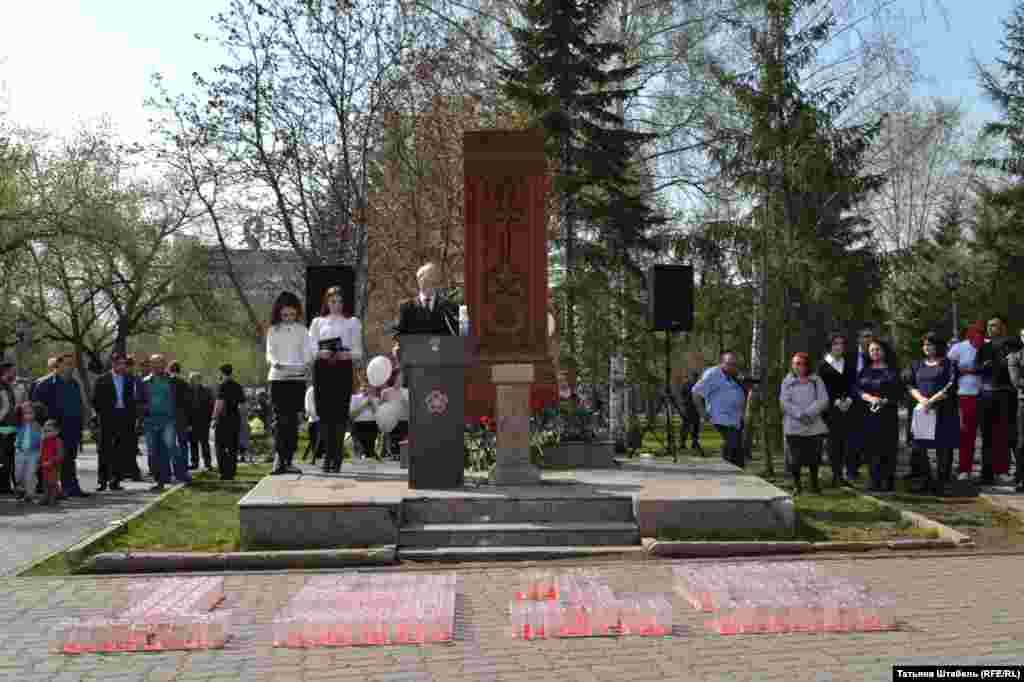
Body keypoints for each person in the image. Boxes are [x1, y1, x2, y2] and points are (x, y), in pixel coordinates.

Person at [308, 285, 364, 473]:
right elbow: (310, 348)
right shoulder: (317, 322)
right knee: (325, 414)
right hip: (323, 370)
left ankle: (337, 457)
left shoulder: (352, 322)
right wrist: (319, 353)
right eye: (333, 301)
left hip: (342, 369)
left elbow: (358, 351)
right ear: (327, 302)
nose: (336, 305)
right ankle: (327, 456)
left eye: (340, 301)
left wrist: (348, 355)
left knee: (339, 415)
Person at [906, 333, 959, 495]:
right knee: (920, 446)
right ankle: (925, 480)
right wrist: (922, 400)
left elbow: (951, 385)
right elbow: (909, 385)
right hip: (923, 411)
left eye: (930, 344)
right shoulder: (916, 364)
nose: (926, 347)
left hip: (944, 410)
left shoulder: (949, 364)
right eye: (924, 344)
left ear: (938, 346)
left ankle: (942, 483)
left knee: (944, 447)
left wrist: (932, 401)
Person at [266, 291, 313, 475]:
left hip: (296, 378)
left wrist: (306, 363)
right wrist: (275, 362)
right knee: (280, 420)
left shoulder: (302, 330)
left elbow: (307, 351)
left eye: (292, 315)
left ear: (297, 313)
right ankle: (279, 459)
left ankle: (289, 460)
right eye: (285, 315)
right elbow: (270, 352)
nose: (288, 318)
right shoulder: (273, 330)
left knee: (292, 421)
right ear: (279, 313)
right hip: (278, 378)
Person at [32, 353, 90, 498]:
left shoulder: (74, 383)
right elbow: (37, 408)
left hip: (71, 427)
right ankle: (47, 489)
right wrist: (46, 426)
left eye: (73, 364)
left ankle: (71, 488)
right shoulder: (44, 384)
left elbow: (78, 405)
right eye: (67, 364)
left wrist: (81, 423)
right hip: (52, 429)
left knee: (69, 458)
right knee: (49, 459)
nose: (71, 367)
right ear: (58, 365)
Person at [976, 315, 1022, 484]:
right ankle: (987, 474)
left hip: (1007, 394)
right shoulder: (984, 347)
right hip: (987, 394)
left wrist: (1001, 364)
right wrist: (983, 367)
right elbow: (977, 366)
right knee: (987, 436)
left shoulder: (1013, 344)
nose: (990, 328)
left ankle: (1018, 473)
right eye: (989, 325)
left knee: (1011, 435)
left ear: (1004, 327)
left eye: (994, 325)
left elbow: (1018, 365)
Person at [855, 339, 903, 491]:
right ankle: (874, 480)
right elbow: (857, 389)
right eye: (872, 350)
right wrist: (869, 398)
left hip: (887, 414)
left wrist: (884, 401)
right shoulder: (864, 371)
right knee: (871, 448)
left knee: (888, 447)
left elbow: (899, 391)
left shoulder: (893, 370)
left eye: (877, 349)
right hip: (868, 414)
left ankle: (888, 480)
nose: (875, 352)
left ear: (884, 351)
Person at [139, 354, 192, 491]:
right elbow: (139, 401)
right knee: (153, 451)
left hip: (168, 420)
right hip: (151, 421)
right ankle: (160, 480)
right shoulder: (144, 382)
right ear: (151, 365)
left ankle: (182, 474)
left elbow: (184, 401)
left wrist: (184, 419)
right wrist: (142, 416)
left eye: (160, 363)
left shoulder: (174, 381)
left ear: (165, 364)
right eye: (154, 363)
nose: (157, 366)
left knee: (171, 446)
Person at [779, 352, 830, 494]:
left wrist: (809, 413)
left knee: (814, 458)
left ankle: (814, 485)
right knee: (794, 459)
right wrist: (800, 415)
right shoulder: (787, 381)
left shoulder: (816, 380)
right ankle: (797, 485)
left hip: (814, 426)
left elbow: (823, 400)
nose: (799, 366)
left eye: (802, 364)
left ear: (808, 365)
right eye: (796, 363)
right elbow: (784, 402)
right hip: (794, 426)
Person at [692, 351, 747, 467]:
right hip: (720, 420)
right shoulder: (712, 374)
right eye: (729, 364)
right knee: (730, 451)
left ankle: (736, 473)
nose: (732, 367)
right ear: (721, 363)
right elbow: (696, 392)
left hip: (735, 421)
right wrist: (702, 412)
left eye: (734, 364)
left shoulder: (734, 376)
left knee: (738, 456)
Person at [91, 351, 137, 491]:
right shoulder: (102, 379)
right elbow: (95, 400)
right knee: (104, 449)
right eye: (119, 363)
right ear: (113, 363)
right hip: (107, 417)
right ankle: (102, 480)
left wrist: (132, 417)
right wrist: (101, 415)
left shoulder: (129, 379)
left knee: (120, 450)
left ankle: (115, 480)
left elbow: (132, 400)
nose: (121, 366)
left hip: (124, 417)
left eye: (123, 364)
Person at [818, 332, 857, 486]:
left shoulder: (848, 363)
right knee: (833, 443)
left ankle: (844, 474)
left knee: (846, 443)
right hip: (831, 409)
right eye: (835, 344)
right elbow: (822, 387)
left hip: (848, 407)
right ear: (830, 346)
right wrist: (836, 402)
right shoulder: (823, 365)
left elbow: (853, 384)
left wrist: (849, 399)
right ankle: (836, 475)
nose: (839, 347)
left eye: (841, 344)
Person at [948, 322, 985, 480]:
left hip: (987, 393)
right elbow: (949, 368)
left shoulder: (988, 346)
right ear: (969, 334)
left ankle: (990, 471)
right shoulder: (958, 348)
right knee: (967, 434)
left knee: (989, 434)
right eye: (975, 332)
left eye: (981, 333)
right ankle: (964, 468)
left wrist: (969, 370)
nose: (979, 335)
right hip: (965, 394)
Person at [391, 262, 459, 337]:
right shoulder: (406, 307)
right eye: (428, 277)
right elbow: (398, 334)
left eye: (434, 277)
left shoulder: (449, 306)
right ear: (419, 280)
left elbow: (459, 333)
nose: (432, 281)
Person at [212, 364, 245, 481]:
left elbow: (219, 404)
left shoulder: (222, 386)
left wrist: (214, 418)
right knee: (232, 447)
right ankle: (231, 472)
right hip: (235, 419)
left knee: (220, 446)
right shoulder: (238, 386)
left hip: (223, 419)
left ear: (222, 373)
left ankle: (223, 472)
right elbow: (242, 405)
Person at [0, 360, 27, 495]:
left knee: (8, 457)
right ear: (5, 371)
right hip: (4, 426)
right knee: (6, 457)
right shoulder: (3, 386)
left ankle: (6, 486)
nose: (15, 373)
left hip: (9, 426)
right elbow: (5, 407)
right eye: (13, 371)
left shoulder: (7, 385)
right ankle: (4, 486)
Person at [13, 401, 45, 503]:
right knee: (18, 473)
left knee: (30, 473)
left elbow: (42, 440)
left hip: (33, 453)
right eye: (25, 413)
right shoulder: (19, 424)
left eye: (30, 413)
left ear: (35, 414)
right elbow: (11, 430)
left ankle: (29, 493)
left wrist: (40, 454)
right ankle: (20, 488)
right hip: (20, 452)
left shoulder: (38, 426)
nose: (27, 416)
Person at [1006, 330, 1024, 492]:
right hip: (1023, 402)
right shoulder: (1015, 357)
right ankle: (1021, 477)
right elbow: (1016, 381)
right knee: (1022, 441)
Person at [187, 373, 215, 470]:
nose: (191, 381)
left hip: (203, 421)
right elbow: (186, 407)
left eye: (193, 379)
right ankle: (194, 463)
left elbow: (211, 405)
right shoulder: (187, 391)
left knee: (204, 443)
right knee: (193, 443)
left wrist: (209, 419)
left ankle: (208, 463)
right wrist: (188, 422)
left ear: (199, 380)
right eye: (190, 379)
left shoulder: (206, 391)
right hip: (191, 421)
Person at [674, 371, 702, 453]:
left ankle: (693, 443)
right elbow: (681, 394)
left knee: (694, 426)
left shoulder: (698, 385)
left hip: (695, 408)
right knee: (686, 426)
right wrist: (684, 402)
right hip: (689, 408)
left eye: (696, 377)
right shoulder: (687, 384)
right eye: (694, 377)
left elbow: (702, 396)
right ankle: (683, 443)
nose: (695, 379)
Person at [38, 419, 64, 505]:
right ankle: (46, 496)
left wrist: (52, 461)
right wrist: (39, 461)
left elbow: (60, 455)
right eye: (45, 431)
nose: (46, 433)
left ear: (57, 431)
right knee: (45, 482)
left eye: (49, 431)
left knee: (53, 482)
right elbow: (41, 452)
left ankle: (53, 497)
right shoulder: (43, 441)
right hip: (44, 465)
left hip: (53, 466)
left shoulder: (57, 441)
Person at [302, 383, 323, 463]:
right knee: (317, 448)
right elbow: (309, 408)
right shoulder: (311, 390)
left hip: (322, 421)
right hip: (315, 421)